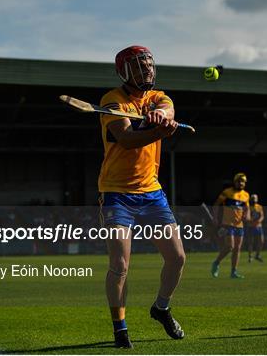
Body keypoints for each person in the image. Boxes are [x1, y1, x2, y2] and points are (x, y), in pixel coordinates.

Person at [98, 45, 185, 349]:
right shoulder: (112, 101)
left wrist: (161, 116)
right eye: (138, 66)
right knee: (120, 265)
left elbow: (166, 108)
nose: (146, 69)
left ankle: (161, 308)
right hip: (117, 194)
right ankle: (120, 328)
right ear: (124, 72)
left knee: (177, 258)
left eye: (148, 64)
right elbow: (127, 138)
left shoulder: (159, 96)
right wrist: (160, 131)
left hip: (151, 192)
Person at [211, 173, 250, 279]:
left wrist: (247, 215)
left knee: (237, 248)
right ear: (235, 182)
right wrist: (215, 218)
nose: (241, 183)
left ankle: (233, 272)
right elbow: (216, 205)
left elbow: (246, 208)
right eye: (239, 181)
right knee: (230, 246)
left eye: (243, 181)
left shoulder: (246, 195)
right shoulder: (227, 192)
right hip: (228, 224)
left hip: (239, 225)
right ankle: (216, 263)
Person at [246, 194, 265, 262]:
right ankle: (250, 256)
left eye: (255, 198)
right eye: (252, 198)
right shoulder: (248, 207)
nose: (254, 200)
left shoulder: (259, 207)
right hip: (251, 226)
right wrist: (251, 221)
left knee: (261, 241)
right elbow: (247, 217)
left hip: (258, 226)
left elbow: (262, 216)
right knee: (251, 241)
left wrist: (259, 221)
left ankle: (257, 255)